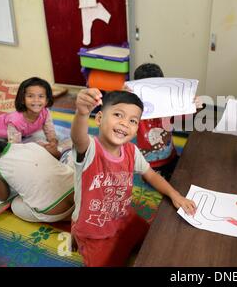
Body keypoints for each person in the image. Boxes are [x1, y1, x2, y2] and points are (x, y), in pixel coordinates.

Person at [70, 88, 196, 267]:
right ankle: (77, 233)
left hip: (123, 217)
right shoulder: (90, 149)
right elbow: (78, 138)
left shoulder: (132, 151)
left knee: (155, 239)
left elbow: (151, 175)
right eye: (118, 115)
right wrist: (82, 113)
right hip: (94, 230)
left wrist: (175, 195)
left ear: (137, 129)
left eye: (133, 120)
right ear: (99, 119)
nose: (124, 123)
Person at [0, 138, 75, 223]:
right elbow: (57, 156)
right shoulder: (32, 145)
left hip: (55, 213)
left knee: (15, 205)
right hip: (78, 196)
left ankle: (65, 217)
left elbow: (2, 197)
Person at [0, 77, 60, 158]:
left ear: (47, 100)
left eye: (41, 96)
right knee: (3, 154)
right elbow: (15, 146)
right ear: (23, 100)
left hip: (20, 135)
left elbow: (49, 129)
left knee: (49, 140)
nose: (36, 100)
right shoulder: (15, 121)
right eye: (30, 96)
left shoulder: (45, 112)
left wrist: (53, 141)